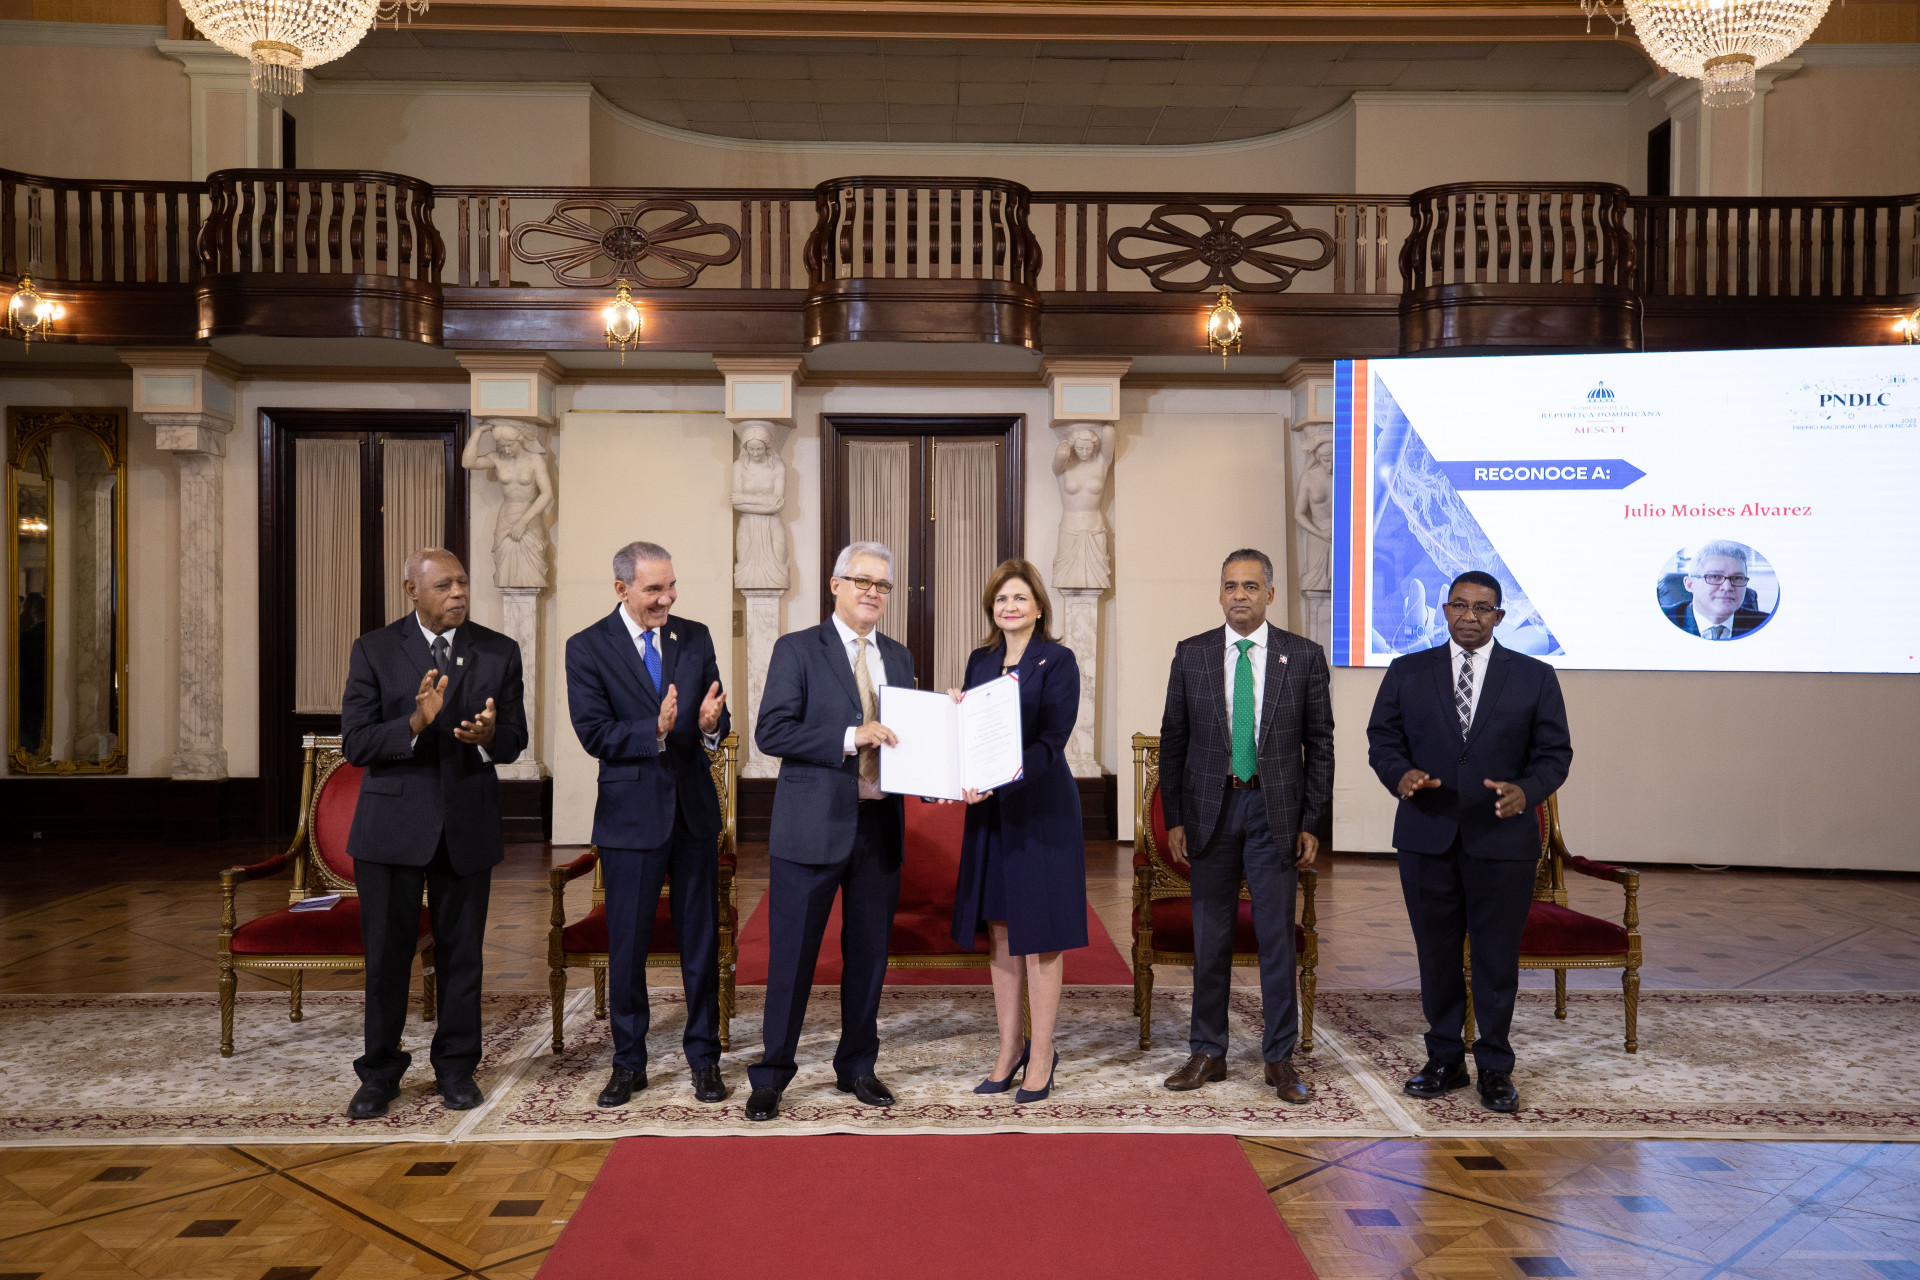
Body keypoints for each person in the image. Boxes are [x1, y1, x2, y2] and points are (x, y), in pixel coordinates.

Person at [1365, 569, 1573, 1114]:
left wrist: (1527, 791)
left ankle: (1496, 1068)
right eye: (1459, 605)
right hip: (1426, 835)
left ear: (1499, 616)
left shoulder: (1534, 676)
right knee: (1436, 955)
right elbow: (1382, 739)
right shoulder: (1408, 671)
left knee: (1495, 958)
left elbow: (1555, 754)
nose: (1470, 616)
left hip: (1502, 839)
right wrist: (1400, 774)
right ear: (1445, 610)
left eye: (1482, 608)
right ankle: (1444, 1059)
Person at [339, 548, 527, 1119]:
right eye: (444, 585)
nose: (458, 593)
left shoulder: (498, 649)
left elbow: (514, 740)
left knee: (462, 958)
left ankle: (455, 1069)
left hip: (466, 823)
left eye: (462, 582)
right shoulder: (374, 649)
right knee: (387, 959)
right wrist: (416, 722)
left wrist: (490, 736)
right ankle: (379, 1074)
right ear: (411, 590)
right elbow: (356, 743)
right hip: (391, 828)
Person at [746, 541, 914, 1121]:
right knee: (792, 958)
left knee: (868, 956)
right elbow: (772, 731)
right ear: (836, 584)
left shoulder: (899, 655)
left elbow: (907, 738)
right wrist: (850, 736)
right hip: (811, 827)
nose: (873, 592)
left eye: (883, 585)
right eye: (862, 580)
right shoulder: (797, 649)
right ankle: (772, 1074)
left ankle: (858, 1066)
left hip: (880, 825)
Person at [1158, 548, 1333, 1105]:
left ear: (1270, 594)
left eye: (1251, 586)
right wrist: (1176, 817)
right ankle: (1208, 1050)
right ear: (1220, 594)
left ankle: (1279, 1057)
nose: (1240, 595)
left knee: (1276, 939)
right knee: (1210, 938)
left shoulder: (1302, 656)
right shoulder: (1192, 654)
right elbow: (1174, 740)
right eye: (1231, 586)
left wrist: (1313, 820)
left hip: (1274, 813)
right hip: (1211, 812)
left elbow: (1321, 744)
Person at [564, 540, 731, 1108]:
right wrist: (653, 731)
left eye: (671, 585)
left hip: (692, 812)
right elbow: (593, 733)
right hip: (629, 818)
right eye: (655, 589)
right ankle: (628, 1063)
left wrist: (709, 724)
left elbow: (717, 715)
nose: (668, 598)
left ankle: (704, 1058)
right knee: (628, 945)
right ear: (622, 589)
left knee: (699, 941)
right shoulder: (587, 647)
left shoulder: (695, 637)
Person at [948, 559, 1086, 1104]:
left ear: (1038, 607)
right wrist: (955, 718)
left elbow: (1052, 741)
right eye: (1001, 599)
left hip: (1040, 808)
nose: (1009, 607)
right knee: (1002, 928)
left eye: (1019, 598)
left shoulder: (1059, 661)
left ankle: (1043, 1052)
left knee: (1041, 932)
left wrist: (998, 778)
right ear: (992, 608)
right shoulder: (980, 662)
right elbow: (969, 735)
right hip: (990, 814)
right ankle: (1009, 1050)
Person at [1665, 540, 1771, 639]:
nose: (1728, 587)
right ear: (1690, 584)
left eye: (1737, 578)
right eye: (1715, 577)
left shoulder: (1766, 624)